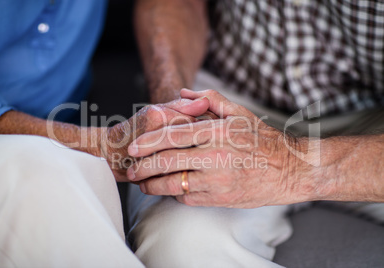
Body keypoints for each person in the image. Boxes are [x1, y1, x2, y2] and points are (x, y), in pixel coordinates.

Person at [127, 0, 384, 267]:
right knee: (179, 248)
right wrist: (175, 104)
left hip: (374, 121)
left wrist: (289, 167)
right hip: (221, 102)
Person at [0, 0, 211, 266]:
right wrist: (101, 146)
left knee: (182, 239)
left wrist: (174, 106)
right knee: (40, 184)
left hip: (70, 112)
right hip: (7, 139)